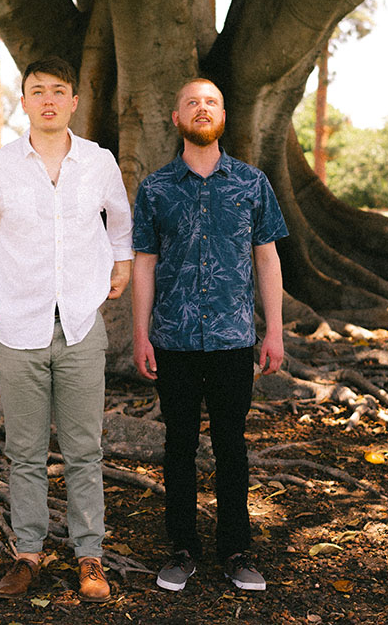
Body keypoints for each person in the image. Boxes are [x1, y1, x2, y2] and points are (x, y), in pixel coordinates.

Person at [0, 56, 133, 603]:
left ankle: (89, 555)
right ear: (24, 101)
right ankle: (27, 553)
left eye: (59, 90)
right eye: (37, 91)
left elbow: (120, 220)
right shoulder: (0, 166)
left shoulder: (98, 162)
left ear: (74, 101)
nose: (48, 99)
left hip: (80, 323)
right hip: (19, 325)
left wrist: (120, 265)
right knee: (25, 451)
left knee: (85, 449)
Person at [130, 78, 287, 593]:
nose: (202, 108)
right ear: (175, 119)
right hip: (172, 339)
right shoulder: (155, 188)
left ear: (224, 117)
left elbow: (266, 257)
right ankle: (181, 549)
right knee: (178, 447)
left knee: (231, 447)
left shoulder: (251, 183)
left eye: (212, 102)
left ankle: (237, 551)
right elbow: (144, 264)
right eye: (192, 103)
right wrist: (140, 334)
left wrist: (274, 332)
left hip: (234, 339)